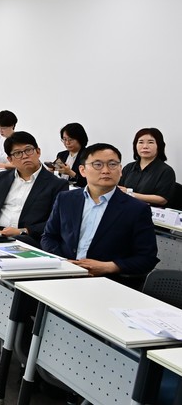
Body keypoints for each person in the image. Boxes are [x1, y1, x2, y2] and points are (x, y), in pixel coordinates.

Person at [41, 143, 159, 290]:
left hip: (107, 283)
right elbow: (48, 237)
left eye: (112, 164)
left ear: (120, 170)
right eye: (97, 165)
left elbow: (147, 258)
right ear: (82, 170)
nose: (106, 170)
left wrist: (109, 267)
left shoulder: (137, 209)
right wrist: (65, 262)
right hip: (62, 275)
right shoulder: (65, 199)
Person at [119, 128, 176, 207]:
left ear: (159, 146)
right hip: (126, 209)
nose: (145, 146)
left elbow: (162, 199)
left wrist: (130, 194)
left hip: (150, 211)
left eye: (150, 142)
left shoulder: (166, 171)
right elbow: (119, 189)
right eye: (141, 142)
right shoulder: (128, 167)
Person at [48, 122, 88, 187]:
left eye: (70, 139)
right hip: (61, 188)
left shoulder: (88, 156)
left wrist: (70, 172)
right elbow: (57, 175)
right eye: (64, 139)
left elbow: (87, 182)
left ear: (80, 139)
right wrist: (51, 172)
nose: (67, 143)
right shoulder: (61, 155)